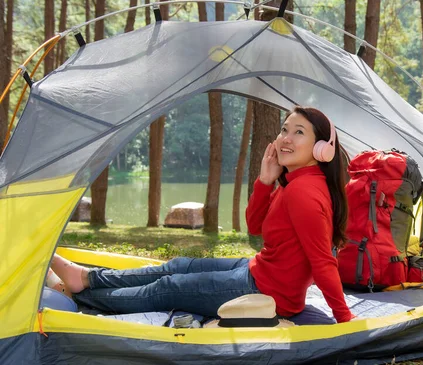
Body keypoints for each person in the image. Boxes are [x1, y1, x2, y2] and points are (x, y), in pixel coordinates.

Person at [50, 106, 354, 323]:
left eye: (298, 132)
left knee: (168, 288)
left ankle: (79, 294)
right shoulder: (295, 182)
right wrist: (264, 181)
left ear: (321, 149)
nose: (285, 138)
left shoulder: (305, 192)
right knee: (179, 265)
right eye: (284, 129)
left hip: (269, 291)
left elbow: (322, 261)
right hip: (259, 270)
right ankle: (87, 277)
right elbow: (255, 225)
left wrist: (345, 320)